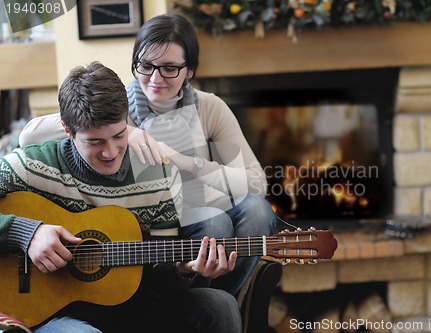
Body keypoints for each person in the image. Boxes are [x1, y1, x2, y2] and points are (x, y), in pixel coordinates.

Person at [19, 13, 277, 298]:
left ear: (189, 70)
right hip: (153, 218)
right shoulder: (116, 108)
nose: (155, 78)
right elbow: (29, 136)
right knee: (216, 223)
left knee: (257, 210)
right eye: (146, 66)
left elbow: (257, 184)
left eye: (169, 68)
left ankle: (227, 298)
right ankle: (198, 302)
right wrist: (128, 131)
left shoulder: (209, 108)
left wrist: (180, 159)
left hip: (199, 207)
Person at [1, 61, 242, 333]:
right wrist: (26, 233)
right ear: (67, 130)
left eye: (119, 135)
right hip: (55, 314)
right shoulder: (29, 166)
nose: (110, 152)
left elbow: (158, 281)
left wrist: (183, 269)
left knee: (219, 305)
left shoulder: (159, 175)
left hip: (134, 309)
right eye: (95, 142)